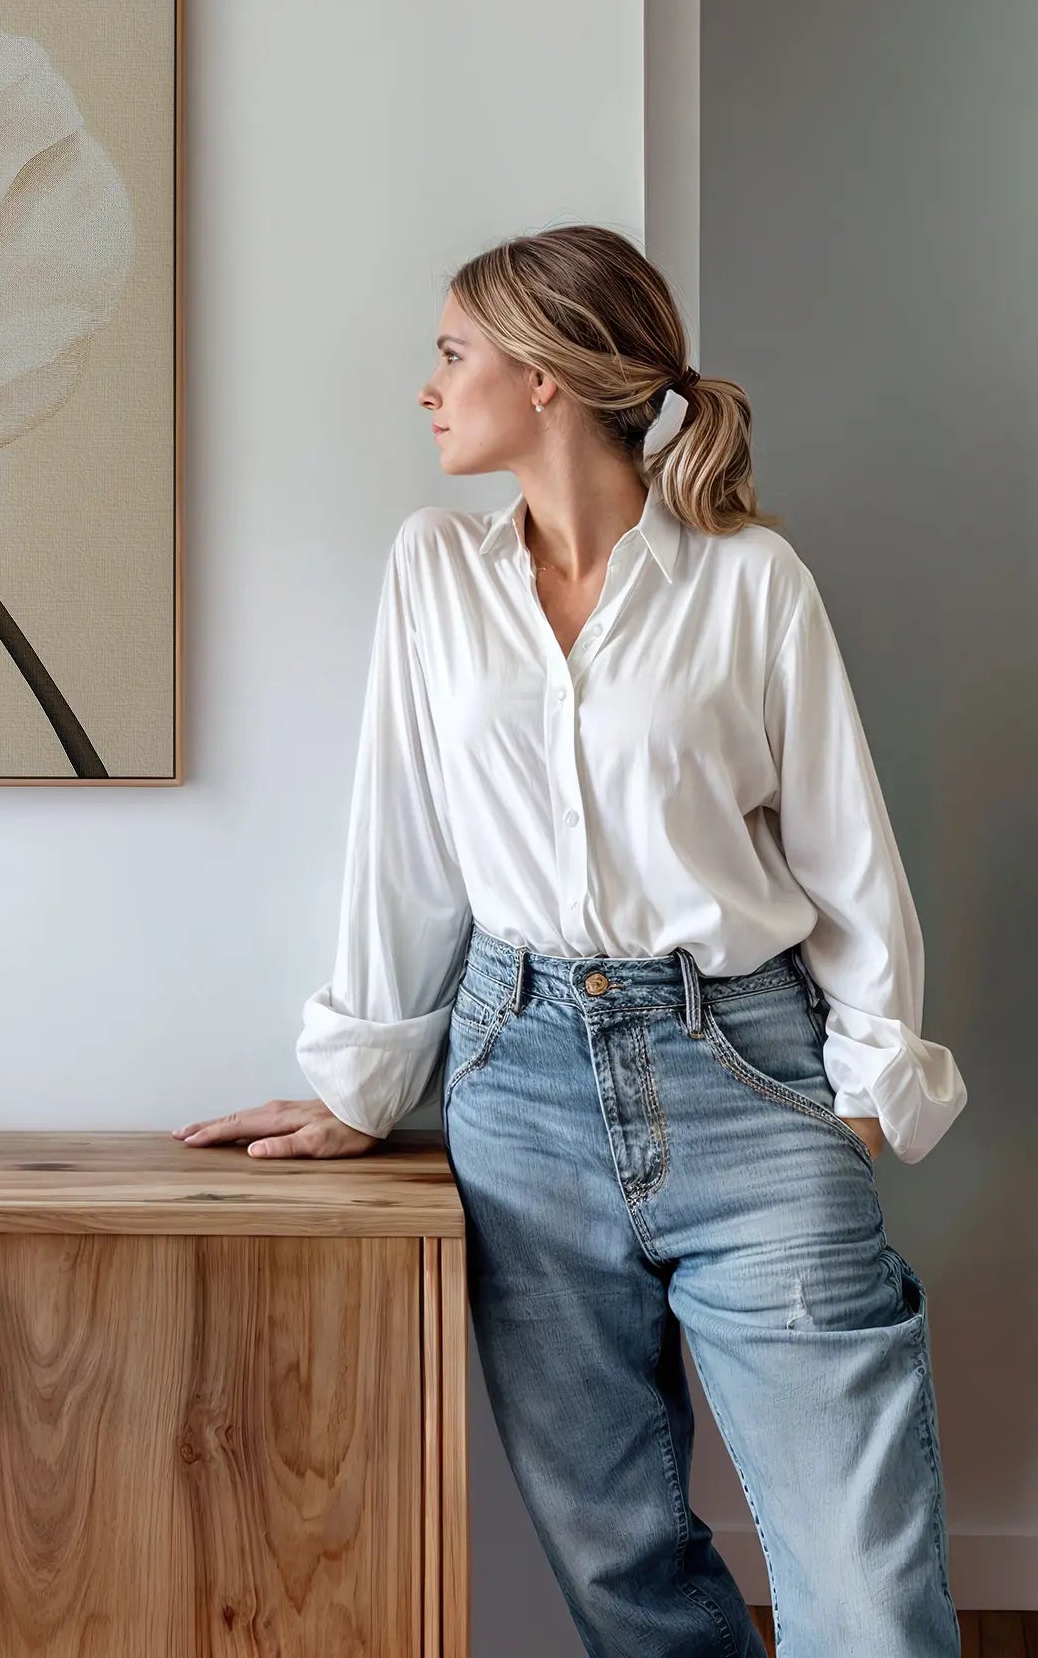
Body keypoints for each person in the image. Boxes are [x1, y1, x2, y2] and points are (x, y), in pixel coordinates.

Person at [174, 226, 966, 1657]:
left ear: (544, 379)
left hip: (749, 1071)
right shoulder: (434, 573)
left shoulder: (749, 581)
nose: (428, 387)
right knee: (622, 1570)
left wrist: (863, 1091)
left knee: (864, 1582)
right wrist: (365, 1084)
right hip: (518, 1083)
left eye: (451, 352)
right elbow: (400, 841)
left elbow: (849, 853)